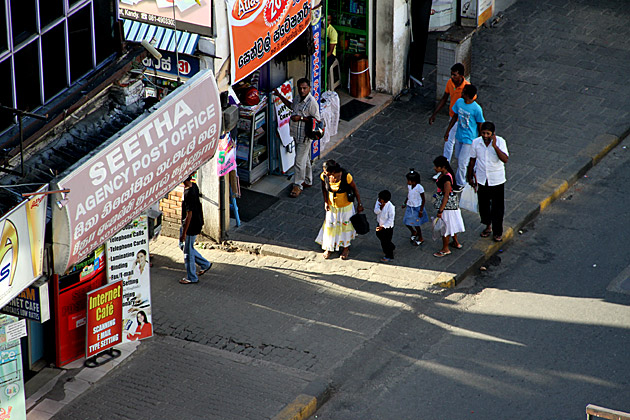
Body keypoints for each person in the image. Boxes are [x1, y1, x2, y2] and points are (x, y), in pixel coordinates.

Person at [274, 78, 321, 198]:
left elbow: (317, 120)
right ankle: (308, 180)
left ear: (309, 88)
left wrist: (300, 118)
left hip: (305, 136)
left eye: (304, 88)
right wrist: (279, 95)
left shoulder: (312, 103)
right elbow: (291, 106)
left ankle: (298, 185)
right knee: (304, 159)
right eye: (300, 88)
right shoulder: (297, 97)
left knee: (298, 162)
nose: (302, 90)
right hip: (296, 134)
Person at [467, 121, 509, 242]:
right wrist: (469, 176)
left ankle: (497, 231)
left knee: (497, 208)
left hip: (497, 180)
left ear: (493, 134)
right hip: (481, 179)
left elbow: (505, 159)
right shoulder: (476, 143)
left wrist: (495, 146)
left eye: (488, 133)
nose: (485, 136)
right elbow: (472, 161)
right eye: (483, 133)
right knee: (484, 206)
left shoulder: (500, 142)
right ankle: (488, 225)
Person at [315, 160, 364, 260]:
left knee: (345, 227)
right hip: (332, 207)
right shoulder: (324, 176)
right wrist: (326, 201)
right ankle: (329, 248)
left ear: (332, 171)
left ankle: (346, 248)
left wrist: (359, 204)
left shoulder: (346, 176)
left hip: (345, 207)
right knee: (330, 226)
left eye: (326, 171)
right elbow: (324, 189)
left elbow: (355, 189)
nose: (324, 172)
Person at [429, 63, 470, 167]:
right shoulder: (450, 83)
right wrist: (434, 114)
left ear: (461, 75)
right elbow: (444, 98)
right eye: (451, 74)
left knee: (457, 142)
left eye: (454, 75)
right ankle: (445, 166)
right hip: (453, 116)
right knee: (449, 141)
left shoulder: (467, 88)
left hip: (463, 119)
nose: (452, 77)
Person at [444, 84, 485, 189]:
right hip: (459, 135)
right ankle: (473, 167)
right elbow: (455, 116)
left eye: (463, 92)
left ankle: (460, 182)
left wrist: (481, 139)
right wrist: (448, 131)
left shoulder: (477, 109)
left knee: (462, 162)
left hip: (469, 139)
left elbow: (480, 124)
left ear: (468, 95)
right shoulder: (459, 102)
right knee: (458, 157)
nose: (461, 93)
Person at [179, 174, 212, 284]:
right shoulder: (194, 186)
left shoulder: (188, 194)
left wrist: (184, 232)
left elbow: (189, 215)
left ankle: (191, 277)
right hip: (195, 222)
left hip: (191, 227)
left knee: (187, 253)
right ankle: (205, 264)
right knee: (183, 246)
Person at [433, 156, 465, 257]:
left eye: (437, 167)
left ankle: (445, 249)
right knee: (452, 225)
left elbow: (446, 196)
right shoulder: (446, 174)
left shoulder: (446, 179)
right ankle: (456, 242)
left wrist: (440, 210)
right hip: (451, 207)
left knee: (445, 228)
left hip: (446, 208)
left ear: (442, 167)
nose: (435, 168)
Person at [402, 169, 429, 246]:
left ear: (414, 181)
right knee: (406, 221)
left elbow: (423, 200)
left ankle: (420, 237)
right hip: (410, 206)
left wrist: (421, 211)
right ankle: (413, 232)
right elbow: (409, 195)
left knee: (416, 224)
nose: (407, 182)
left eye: (408, 180)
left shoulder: (419, 188)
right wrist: (405, 202)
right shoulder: (409, 186)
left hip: (417, 208)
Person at [374, 190, 396, 263]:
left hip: (387, 227)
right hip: (380, 223)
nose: (379, 200)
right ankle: (391, 247)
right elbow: (376, 211)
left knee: (386, 241)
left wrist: (383, 226)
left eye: (381, 199)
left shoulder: (391, 207)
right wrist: (380, 208)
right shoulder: (378, 202)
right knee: (379, 235)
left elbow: (391, 219)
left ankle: (389, 255)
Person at [326, 14, 338, 79]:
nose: (326, 22)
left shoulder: (333, 32)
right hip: (320, 51)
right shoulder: (319, 28)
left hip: (330, 54)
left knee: (325, 66)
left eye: (328, 20)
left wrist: (323, 58)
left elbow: (330, 52)